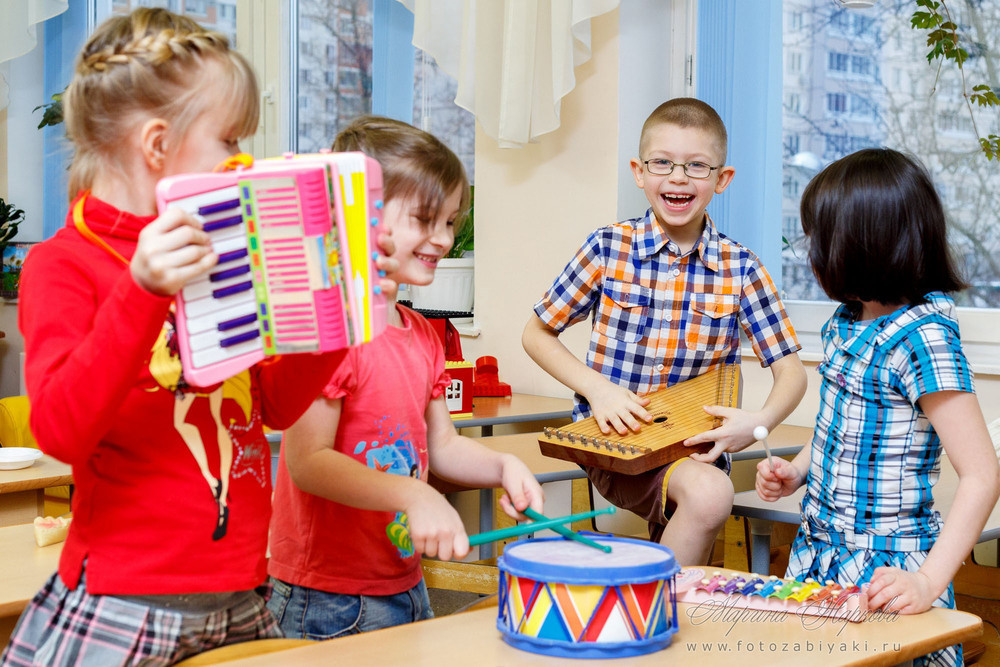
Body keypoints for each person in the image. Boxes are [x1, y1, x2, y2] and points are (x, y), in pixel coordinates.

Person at [1, 9, 397, 666]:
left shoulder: (228, 252)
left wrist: (338, 314)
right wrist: (142, 290)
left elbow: (269, 404)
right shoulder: (64, 263)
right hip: (126, 604)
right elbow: (60, 431)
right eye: (231, 138)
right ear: (158, 145)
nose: (244, 159)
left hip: (242, 593)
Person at [266, 116, 545, 639]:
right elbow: (307, 462)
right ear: (357, 213)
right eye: (424, 219)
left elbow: (442, 446)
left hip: (403, 581)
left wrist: (503, 464)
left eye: (449, 222)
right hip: (324, 595)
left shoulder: (421, 333)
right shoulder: (328, 331)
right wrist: (414, 495)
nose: (441, 239)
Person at [522, 98, 807, 565]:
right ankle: (660, 609)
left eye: (697, 166)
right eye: (662, 163)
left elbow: (792, 373)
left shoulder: (742, 268)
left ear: (722, 179)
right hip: (616, 445)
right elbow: (536, 334)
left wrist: (756, 425)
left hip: (694, 450)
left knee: (704, 497)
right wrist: (599, 391)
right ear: (639, 171)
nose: (678, 177)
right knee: (711, 497)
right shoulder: (608, 247)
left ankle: (661, 610)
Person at [756, 148, 1000, 666]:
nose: (810, 252)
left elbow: (982, 475)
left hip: (889, 569)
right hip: (819, 551)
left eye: (818, 239)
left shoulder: (922, 340)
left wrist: (929, 580)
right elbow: (839, 429)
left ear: (864, 244)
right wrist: (797, 471)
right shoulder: (846, 322)